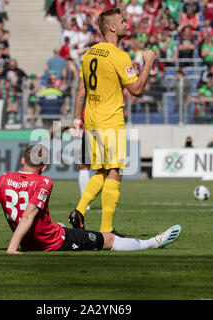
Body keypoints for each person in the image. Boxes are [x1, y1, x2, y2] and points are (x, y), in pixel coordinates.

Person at [0, 145, 182, 254]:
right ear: (44, 166)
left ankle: (77, 223)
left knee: (62, 226)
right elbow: (27, 217)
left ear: (22, 160)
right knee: (107, 239)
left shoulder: (3, 179)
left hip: (28, 242)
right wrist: (11, 249)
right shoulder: (44, 181)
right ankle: (151, 243)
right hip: (52, 242)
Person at [69, 8, 155, 236]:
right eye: (122, 21)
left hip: (92, 122)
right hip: (111, 122)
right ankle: (107, 229)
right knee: (115, 172)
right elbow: (136, 89)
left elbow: (80, 92)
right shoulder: (119, 56)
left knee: (101, 173)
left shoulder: (88, 54)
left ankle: (79, 210)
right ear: (112, 27)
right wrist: (148, 63)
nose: (127, 24)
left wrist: (77, 121)